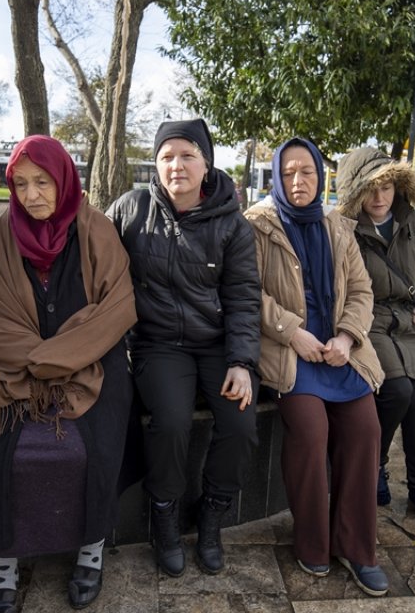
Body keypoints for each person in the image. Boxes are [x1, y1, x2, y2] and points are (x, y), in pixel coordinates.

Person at [0, 135, 137, 613]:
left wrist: (61, 356)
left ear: (65, 181)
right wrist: (37, 357)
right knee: (2, 455)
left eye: (42, 181)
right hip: (12, 371)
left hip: (90, 367)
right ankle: (4, 569)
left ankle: (90, 554)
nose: (31, 195)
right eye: (20, 184)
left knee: (89, 449)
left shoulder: (96, 231)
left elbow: (116, 309)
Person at [106, 118, 261, 577]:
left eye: (187, 155)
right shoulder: (132, 208)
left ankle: (212, 515)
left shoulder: (232, 224)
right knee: (170, 422)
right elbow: (92, 258)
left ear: (206, 163)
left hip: (215, 345)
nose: (177, 165)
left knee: (240, 422)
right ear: (155, 164)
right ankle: (165, 515)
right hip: (158, 345)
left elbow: (243, 298)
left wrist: (241, 362)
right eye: (167, 156)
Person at [245, 137, 389, 597]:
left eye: (306, 171)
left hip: (339, 352)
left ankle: (356, 546)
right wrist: (293, 333)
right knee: (310, 430)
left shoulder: (338, 227)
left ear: (320, 175)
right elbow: (248, 294)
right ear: (276, 178)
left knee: (365, 430)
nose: (298, 181)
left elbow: (362, 292)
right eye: (287, 173)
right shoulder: (256, 225)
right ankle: (312, 541)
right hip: (292, 354)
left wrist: (346, 337)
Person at [334, 147, 415, 531]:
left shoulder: (413, 223)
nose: (380, 197)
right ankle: (375, 464)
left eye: (386, 186)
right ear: (356, 192)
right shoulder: (345, 228)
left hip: (409, 320)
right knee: (398, 391)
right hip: (370, 320)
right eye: (370, 189)